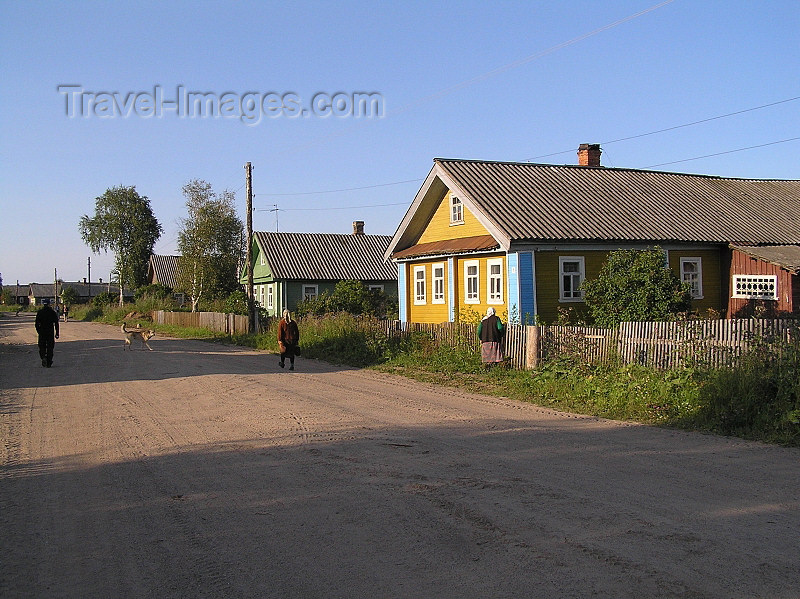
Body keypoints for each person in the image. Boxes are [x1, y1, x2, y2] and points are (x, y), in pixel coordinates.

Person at [35, 298, 60, 368]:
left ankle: (43, 357)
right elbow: (56, 323)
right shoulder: (52, 312)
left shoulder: (40, 312)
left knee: (42, 346)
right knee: (50, 347)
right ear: (49, 304)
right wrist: (57, 333)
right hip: (50, 332)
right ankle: (49, 361)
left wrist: (38, 331)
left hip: (42, 332)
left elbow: (36, 323)